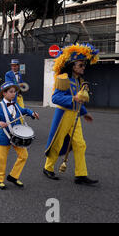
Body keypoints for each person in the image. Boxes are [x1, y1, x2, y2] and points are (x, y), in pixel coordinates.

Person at [43, 43, 99, 185]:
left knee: (80, 144)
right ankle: (47, 168)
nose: (83, 67)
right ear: (73, 66)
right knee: (57, 142)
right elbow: (55, 98)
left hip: (75, 116)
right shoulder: (63, 78)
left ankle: (80, 175)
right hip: (63, 115)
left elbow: (79, 100)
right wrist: (72, 98)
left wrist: (84, 113)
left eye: (83, 65)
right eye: (81, 65)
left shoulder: (79, 80)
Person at [0, 81, 39, 190]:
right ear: (4, 93)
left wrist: (32, 113)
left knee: (24, 156)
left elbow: (24, 110)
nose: (13, 94)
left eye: (14, 92)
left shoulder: (15, 104)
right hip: (5, 136)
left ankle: (13, 176)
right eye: (10, 92)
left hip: (17, 136)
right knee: (2, 159)